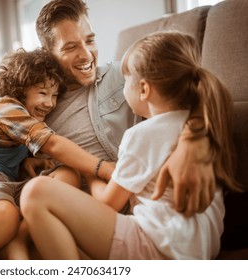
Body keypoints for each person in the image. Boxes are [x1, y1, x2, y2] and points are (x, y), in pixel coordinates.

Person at [0, 0, 215, 260]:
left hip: (93, 208)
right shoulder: (36, 99)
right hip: (13, 192)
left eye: (89, 40)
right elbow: (0, 126)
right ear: (48, 52)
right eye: (71, 46)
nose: (87, 54)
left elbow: (198, 86)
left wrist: (193, 141)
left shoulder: (124, 76)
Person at [20, 31, 242, 260]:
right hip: (199, 251)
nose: (123, 87)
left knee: (35, 192)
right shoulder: (205, 124)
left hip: (157, 246)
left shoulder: (143, 134)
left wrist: (90, 173)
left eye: (125, 81)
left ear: (144, 89)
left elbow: (108, 204)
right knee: (48, 243)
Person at [0, 48, 114, 260]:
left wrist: (27, 160)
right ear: (19, 89)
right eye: (42, 93)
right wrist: (103, 168)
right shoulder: (7, 106)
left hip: (1, 181)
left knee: (68, 174)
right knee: (3, 216)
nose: (50, 103)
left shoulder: (29, 119)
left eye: (54, 96)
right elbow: (51, 144)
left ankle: (18, 237)